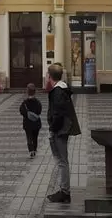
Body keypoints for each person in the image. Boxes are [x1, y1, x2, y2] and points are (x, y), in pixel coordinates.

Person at [46, 64, 81, 203]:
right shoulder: (61, 89)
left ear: (49, 76)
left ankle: (65, 192)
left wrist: (52, 129)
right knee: (62, 161)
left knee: (62, 161)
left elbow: (58, 114)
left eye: (47, 75)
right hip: (62, 129)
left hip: (60, 131)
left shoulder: (58, 92)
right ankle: (64, 190)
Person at [18, 83, 43, 158]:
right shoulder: (37, 102)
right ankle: (34, 149)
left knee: (29, 137)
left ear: (27, 91)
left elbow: (21, 111)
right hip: (36, 123)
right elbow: (39, 111)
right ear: (35, 92)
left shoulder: (25, 102)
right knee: (35, 137)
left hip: (27, 123)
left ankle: (31, 150)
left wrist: (27, 115)